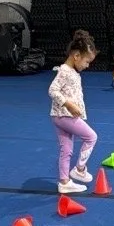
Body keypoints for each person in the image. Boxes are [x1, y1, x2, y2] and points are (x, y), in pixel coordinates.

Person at [48, 30, 98, 194]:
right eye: (86, 61)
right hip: (65, 116)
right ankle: (79, 169)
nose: (87, 65)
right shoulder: (65, 71)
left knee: (66, 150)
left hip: (59, 116)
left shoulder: (71, 72)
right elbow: (53, 90)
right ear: (76, 55)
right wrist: (68, 104)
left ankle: (64, 182)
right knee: (91, 137)